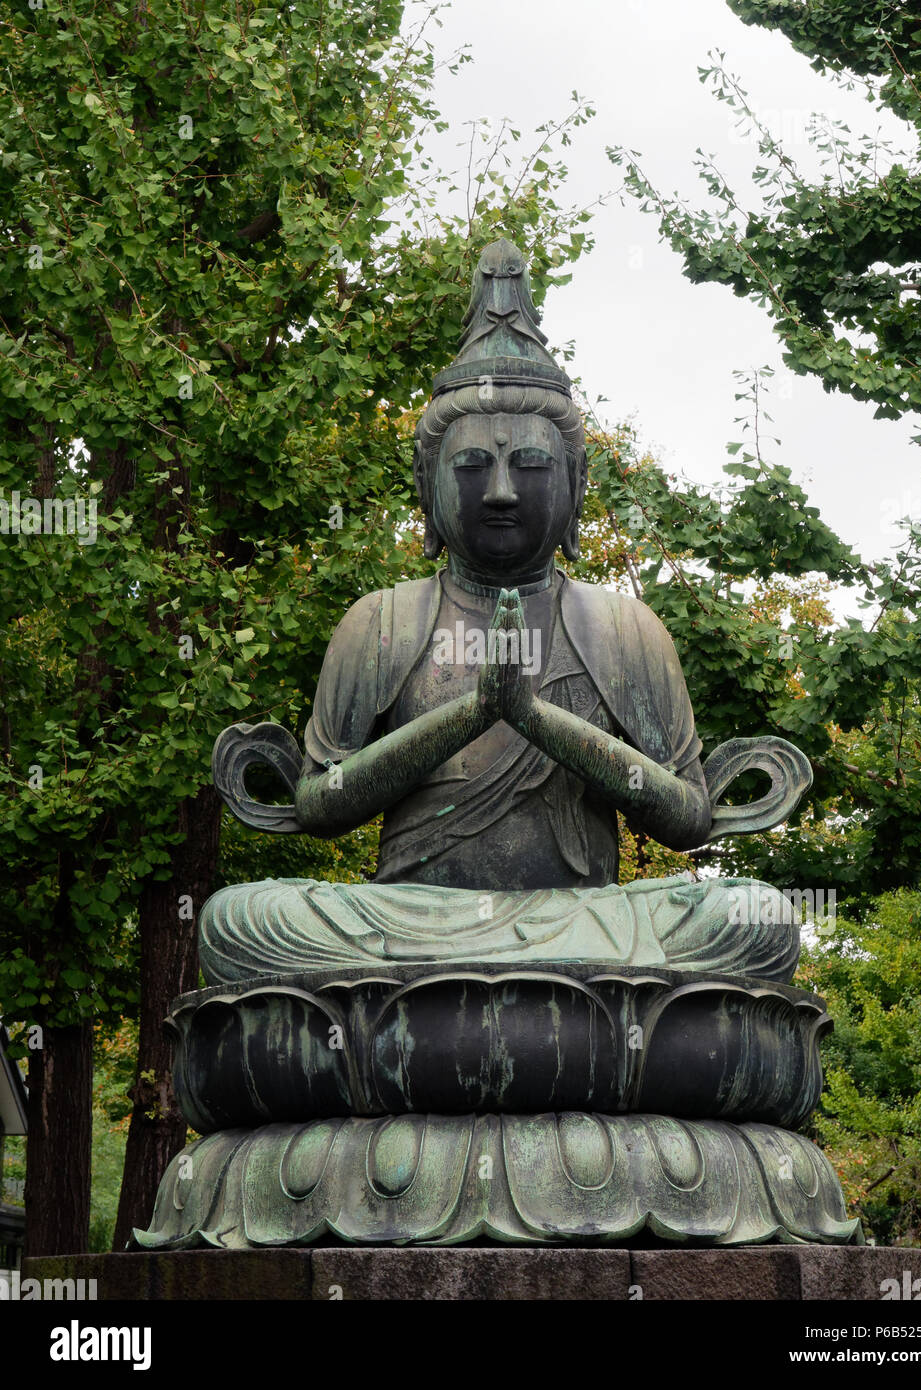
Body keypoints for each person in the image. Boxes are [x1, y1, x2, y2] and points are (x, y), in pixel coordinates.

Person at [201, 241, 807, 986]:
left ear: (575, 485)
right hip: (412, 924)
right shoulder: (381, 622)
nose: (499, 492)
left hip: (582, 919)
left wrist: (534, 717)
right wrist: (471, 714)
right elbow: (321, 803)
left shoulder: (623, 629)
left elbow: (685, 818)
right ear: (426, 488)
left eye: (529, 465)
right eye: (470, 467)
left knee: (752, 917)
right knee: (244, 920)